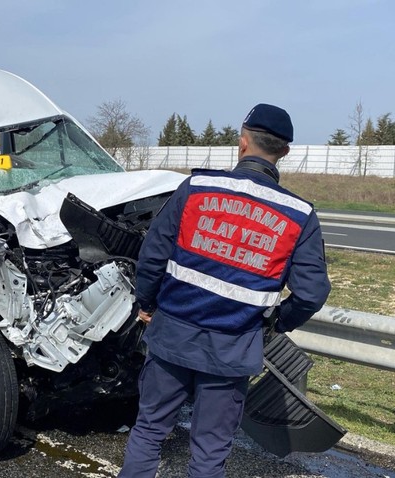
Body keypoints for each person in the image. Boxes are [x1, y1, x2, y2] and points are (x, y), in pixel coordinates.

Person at [118, 103, 331, 478]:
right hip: (234, 349)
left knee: (150, 431)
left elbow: (152, 254)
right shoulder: (299, 215)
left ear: (242, 142)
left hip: (173, 335)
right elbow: (312, 293)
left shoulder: (196, 187)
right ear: (284, 153)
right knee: (210, 451)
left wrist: (146, 303)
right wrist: (277, 323)